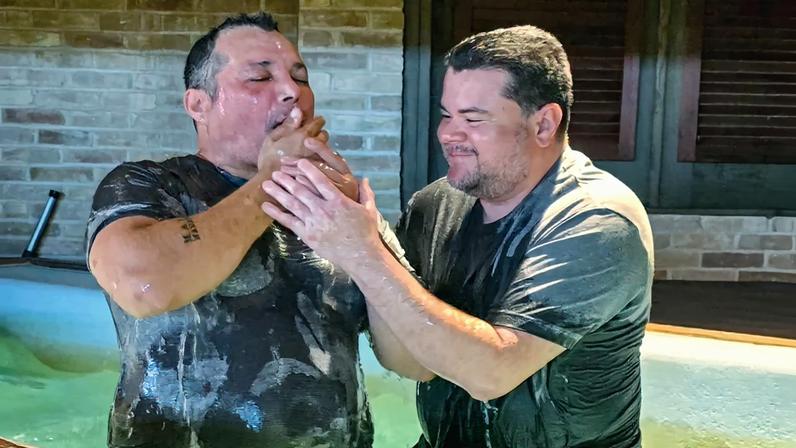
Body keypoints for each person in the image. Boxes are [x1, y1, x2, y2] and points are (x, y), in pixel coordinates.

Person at [262, 25, 654, 448]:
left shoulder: (596, 220)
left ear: (544, 124)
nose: (448, 134)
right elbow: (409, 362)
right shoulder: (436, 206)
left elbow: (492, 373)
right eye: (447, 115)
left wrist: (363, 252)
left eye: (473, 119)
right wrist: (368, 228)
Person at [86, 11, 400, 448]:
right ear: (199, 104)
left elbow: (407, 359)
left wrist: (368, 239)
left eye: (300, 76)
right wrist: (272, 183)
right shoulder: (148, 185)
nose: (293, 92)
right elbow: (143, 284)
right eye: (259, 78)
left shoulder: (337, 207)